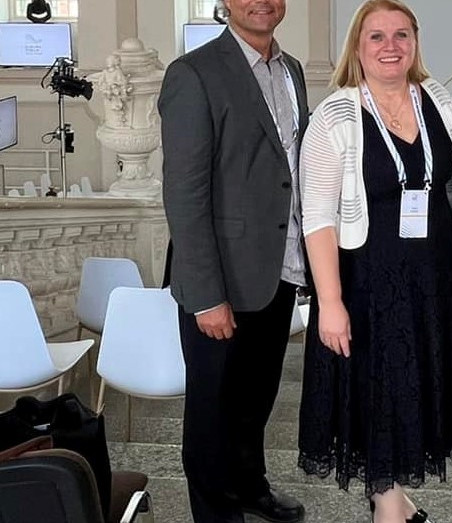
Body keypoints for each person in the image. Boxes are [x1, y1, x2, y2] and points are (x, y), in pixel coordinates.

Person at [297, 1, 452, 522]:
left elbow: (450, 188)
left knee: (414, 386)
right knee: (379, 389)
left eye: (401, 34)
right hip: (366, 282)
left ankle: (393, 495)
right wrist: (329, 302)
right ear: (357, 47)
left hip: (429, 279)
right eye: (376, 36)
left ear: (416, 41)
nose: (390, 46)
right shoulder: (336, 115)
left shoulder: (438, 101)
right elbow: (317, 218)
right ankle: (387, 506)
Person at [158, 0, 308, 521]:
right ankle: (217, 514)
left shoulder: (291, 71)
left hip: (278, 271)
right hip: (219, 283)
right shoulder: (193, 74)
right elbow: (185, 193)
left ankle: (251, 487)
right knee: (212, 415)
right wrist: (204, 296)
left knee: (255, 401)